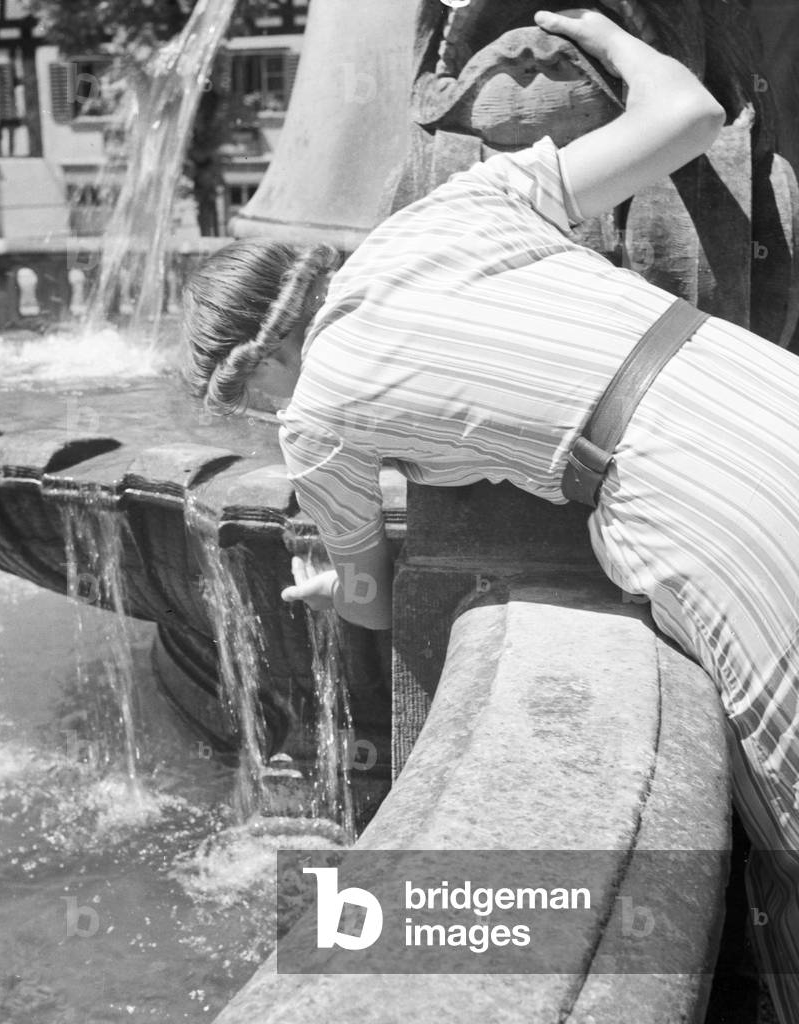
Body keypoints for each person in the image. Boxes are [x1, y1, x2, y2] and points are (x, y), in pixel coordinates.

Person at [180, 8, 799, 1016]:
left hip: (706, 507)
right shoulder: (452, 208)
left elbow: (370, 605)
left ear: (255, 363)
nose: (257, 426)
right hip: (762, 391)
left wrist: (362, 803)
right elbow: (685, 114)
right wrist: (603, 31)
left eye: (234, 403)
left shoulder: (315, 413)